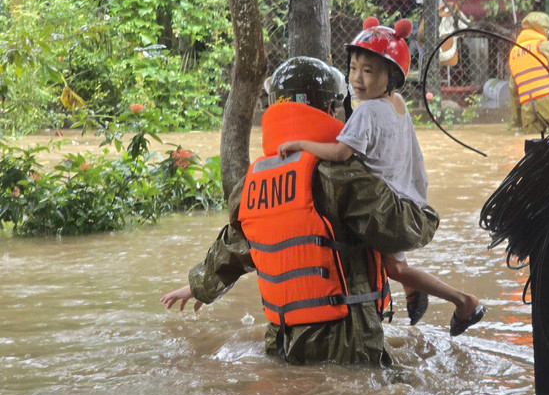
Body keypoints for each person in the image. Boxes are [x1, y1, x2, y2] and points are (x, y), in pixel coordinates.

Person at [160, 56, 440, 366]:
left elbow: (235, 247)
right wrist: (422, 211)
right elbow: (401, 232)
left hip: (283, 340)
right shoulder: (339, 174)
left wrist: (199, 287)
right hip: (347, 336)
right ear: (326, 108)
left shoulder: (252, 182)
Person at [277, 17, 485, 336]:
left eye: (369, 71)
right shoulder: (396, 103)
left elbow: (341, 154)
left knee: (394, 268)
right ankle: (413, 290)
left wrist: (300, 144)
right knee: (395, 267)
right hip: (406, 200)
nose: (358, 79)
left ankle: (463, 300)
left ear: (392, 76)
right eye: (354, 68)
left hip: (387, 210)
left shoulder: (367, 112)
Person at [508, 11, 549, 133]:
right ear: (543, 31)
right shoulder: (544, 45)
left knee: (533, 144)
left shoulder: (514, 52)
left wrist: (517, 120)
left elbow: (513, 89)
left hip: (527, 106)